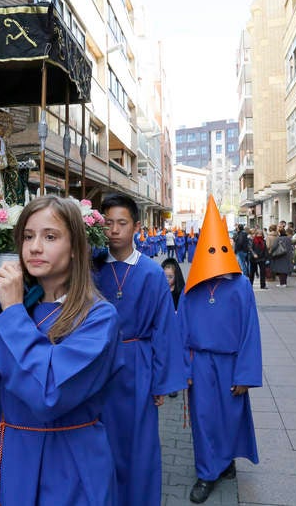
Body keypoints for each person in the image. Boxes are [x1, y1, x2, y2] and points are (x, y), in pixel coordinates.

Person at [0, 195, 123, 505]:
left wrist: (12, 312)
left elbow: (48, 394)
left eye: (50, 236)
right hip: (16, 453)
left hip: (70, 460)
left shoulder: (98, 317)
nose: (35, 247)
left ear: (75, 248)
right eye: (28, 237)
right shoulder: (19, 307)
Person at [94, 193, 186, 506]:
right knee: (99, 439)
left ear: (136, 226)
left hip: (138, 363)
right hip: (97, 363)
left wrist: (162, 381)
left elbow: (164, 329)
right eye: (108, 223)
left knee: (140, 442)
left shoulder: (151, 272)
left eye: (122, 223)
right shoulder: (91, 267)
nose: (115, 230)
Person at [178, 195, 262, 504]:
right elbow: (181, 331)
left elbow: (250, 333)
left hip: (230, 362)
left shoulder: (240, 286)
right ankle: (206, 473)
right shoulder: (191, 288)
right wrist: (184, 370)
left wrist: (245, 373)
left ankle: (225, 461)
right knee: (204, 418)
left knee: (230, 416)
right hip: (199, 362)